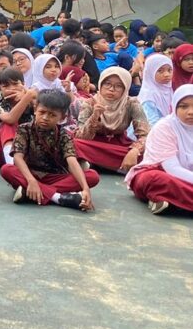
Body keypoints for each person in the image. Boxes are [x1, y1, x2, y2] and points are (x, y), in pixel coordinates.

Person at [0, 89, 98, 210]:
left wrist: (85, 188)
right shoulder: (24, 129)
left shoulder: (64, 134)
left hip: (55, 176)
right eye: (42, 112)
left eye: (52, 115)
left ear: (62, 117)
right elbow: (18, 157)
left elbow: (72, 161)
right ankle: (59, 197)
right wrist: (31, 180)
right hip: (30, 175)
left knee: (92, 176)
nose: (45, 118)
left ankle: (32, 193)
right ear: (35, 110)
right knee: (7, 170)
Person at [126, 87, 193, 215]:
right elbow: (172, 168)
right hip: (162, 173)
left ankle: (167, 201)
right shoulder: (165, 127)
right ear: (174, 107)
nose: (190, 112)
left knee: (175, 187)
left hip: (187, 181)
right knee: (157, 179)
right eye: (184, 107)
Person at [73, 68, 150, 174]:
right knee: (75, 144)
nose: (111, 89)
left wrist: (135, 151)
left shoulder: (132, 104)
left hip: (118, 145)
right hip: (93, 144)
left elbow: (145, 135)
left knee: (149, 153)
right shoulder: (90, 103)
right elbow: (80, 136)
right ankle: (116, 166)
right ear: (101, 84)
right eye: (107, 84)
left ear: (125, 88)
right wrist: (94, 117)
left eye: (118, 86)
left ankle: (96, 164)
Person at [139, 55, 174, 125]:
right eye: (160, 71)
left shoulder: (169, 89)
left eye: (169, 70)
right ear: (150, 72)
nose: (166, 74)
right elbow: (152, 122)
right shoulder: (148, 95)